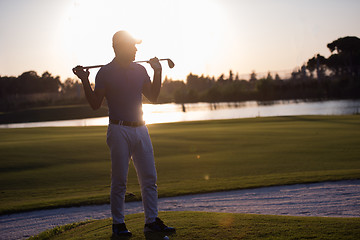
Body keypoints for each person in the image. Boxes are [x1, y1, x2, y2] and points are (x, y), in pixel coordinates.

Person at [72, 30, 175, 238]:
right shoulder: (104, 73)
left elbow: (153, 97)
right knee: (119, 180)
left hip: (141, 128)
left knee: (149, 178)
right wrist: (84, 80)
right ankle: (118, 224)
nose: (137, 49)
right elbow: (94, 105)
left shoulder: (140, 70)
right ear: (118, 48)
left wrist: (157, 72)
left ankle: (151, 221)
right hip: (118, 129)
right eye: (132, 46)